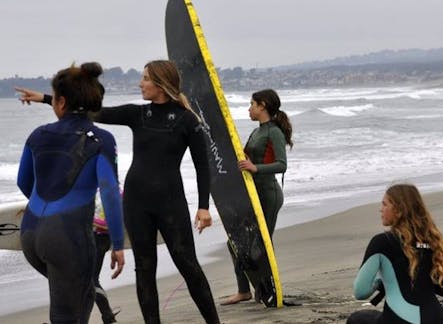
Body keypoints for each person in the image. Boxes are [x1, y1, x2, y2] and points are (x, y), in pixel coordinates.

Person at [16, 60, 220, 324]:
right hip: (136, 202)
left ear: (161, 84)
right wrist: (47, 99)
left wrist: (203, 206)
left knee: (189, 266)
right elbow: (90, 114)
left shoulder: (187, 120)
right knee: (144, 270)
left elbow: (203, 166)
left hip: (171, 202)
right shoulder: (139, 114)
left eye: (145, 78)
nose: (140, 83)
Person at [16, 62, 125, 324]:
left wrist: (46, 209)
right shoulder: (101, 140)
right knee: (68, 314)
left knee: (80, 296)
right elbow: (110, 193)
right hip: (67, 237)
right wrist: (118, 244)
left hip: (30, 235)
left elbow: (23, 182)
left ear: (61, 102)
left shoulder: (38, 135)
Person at [347, 184, 443, 324]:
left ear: (399, 210)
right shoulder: (434, 241)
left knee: (357, 319)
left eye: (385, 204)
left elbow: (360, 292)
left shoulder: (382, 242)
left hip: (400, 320)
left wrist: (379, 282)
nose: (380, 209)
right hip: (436, 319)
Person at [221, 89, 293, 305]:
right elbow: (249, 157)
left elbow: (282, 165)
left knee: (261, 246)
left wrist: (255, 167)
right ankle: (244, 291)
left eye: (252, 104)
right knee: (235, 242)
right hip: (254, 195)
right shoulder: (257, 132)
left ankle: (268, 290)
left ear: (262, 106)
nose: (249, 108)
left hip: (269, 196)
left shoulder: (274, 132)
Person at [93, 192, 121, 323]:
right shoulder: (94, 187)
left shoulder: (114, 192)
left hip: (100, 239)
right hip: (91, 238)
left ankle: (108, 315)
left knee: (91, 280)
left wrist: (86, 218)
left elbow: (108, 224)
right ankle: (108, 315)